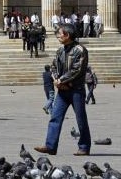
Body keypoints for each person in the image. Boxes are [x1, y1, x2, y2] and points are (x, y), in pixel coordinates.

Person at [35, 23, 91, 156]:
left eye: (59, 34)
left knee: (80, 119)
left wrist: (62, 80)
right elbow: (54, 66)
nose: (58, 36)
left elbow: (77, 69)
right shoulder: (60, 50)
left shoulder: (80, 50)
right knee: (55, 117)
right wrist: (56, 80)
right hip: (62, 91)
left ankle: (84, 146)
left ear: (67, 35)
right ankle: (50, 146)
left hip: (76, 90)